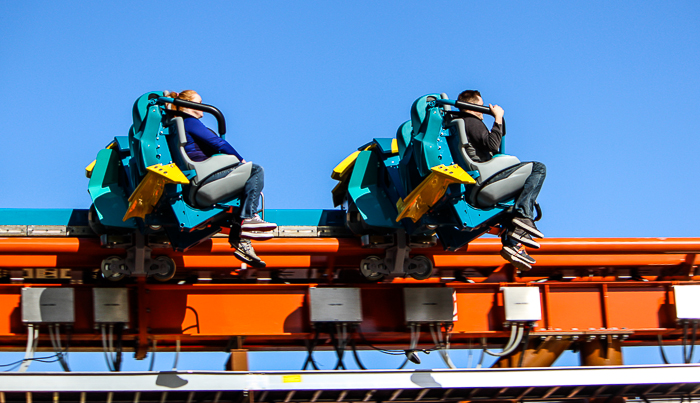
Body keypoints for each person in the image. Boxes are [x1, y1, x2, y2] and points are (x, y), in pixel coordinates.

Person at [169, 90, 276, 268]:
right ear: (188, 105)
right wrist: (240, 159)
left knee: (243, 189)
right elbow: (218, 143)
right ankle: (249, 218)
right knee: (255, 171)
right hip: (204, 180)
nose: (203, 106)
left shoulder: (177, 124)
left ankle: (240, 240)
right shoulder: (190, 122)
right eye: (199, 102)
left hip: (199, 180)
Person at [456, 90, 546, 271]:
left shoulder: (455, 125)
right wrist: (497, 118)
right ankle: (524, 219)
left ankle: (512, 244)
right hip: (486, 181)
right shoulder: (472, 121)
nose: (483, 110)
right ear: (473, 106)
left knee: (515, 199)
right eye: (480, 106)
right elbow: (492, 145)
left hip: (476, 186)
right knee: (538, 168)